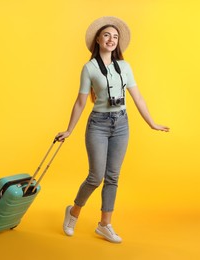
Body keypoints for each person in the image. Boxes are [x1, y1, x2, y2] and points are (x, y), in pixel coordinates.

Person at [56, 16, 169, 243]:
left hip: (121, 124)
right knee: (95, 176)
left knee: (113, 177)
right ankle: (73, 212)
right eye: (107, 35)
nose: (111, 39)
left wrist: (151, 122)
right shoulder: (89, 68)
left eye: (115, 37)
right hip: (98, 124)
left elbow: (137, 96)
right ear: (98, 39)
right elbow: (80, 102)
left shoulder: (125, 67)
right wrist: (69, 130)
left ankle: (104, 225)